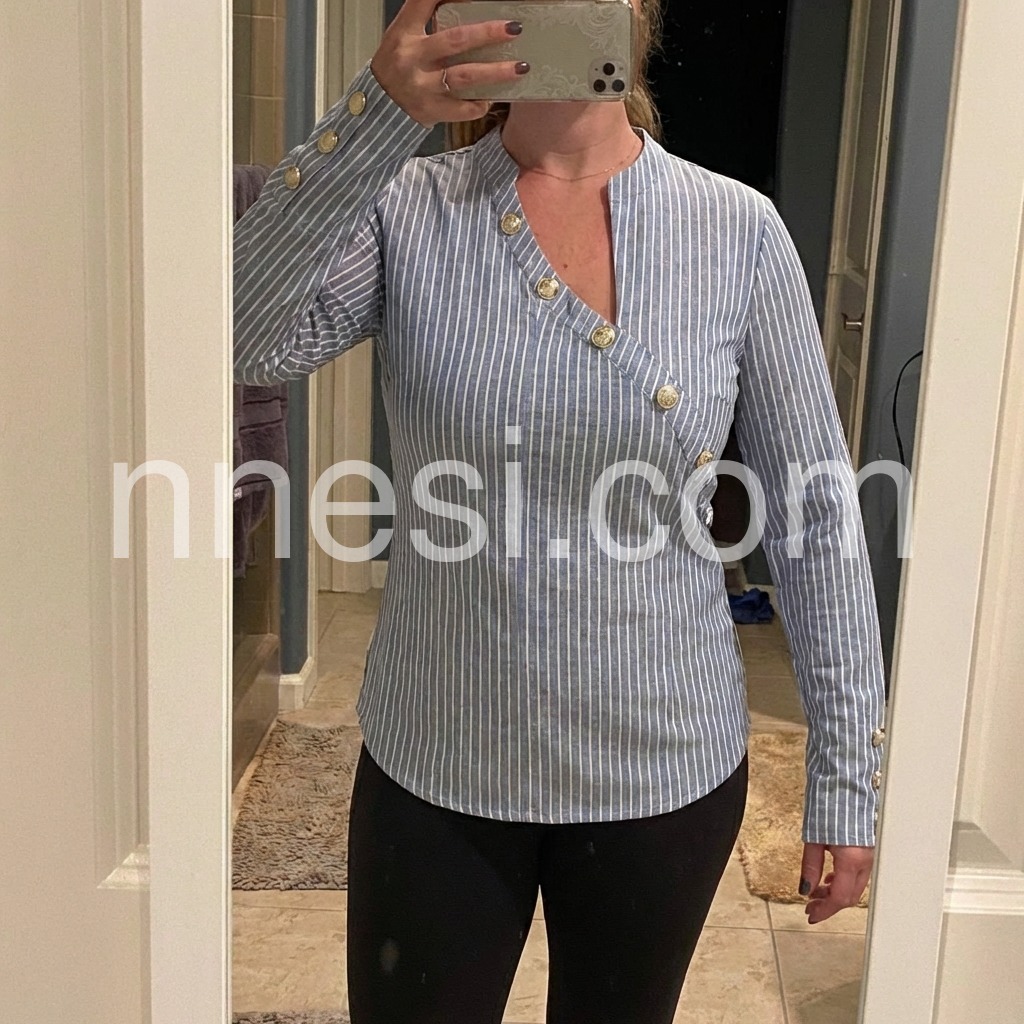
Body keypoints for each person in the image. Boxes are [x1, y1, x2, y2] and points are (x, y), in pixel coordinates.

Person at [233, 0, 888, 1020]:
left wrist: (847, 773)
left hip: (661, 765)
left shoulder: (736, 230)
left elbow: (816, 515)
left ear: (635, 12)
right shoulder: (409, 207)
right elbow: (245, 337)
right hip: (439, 756)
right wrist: (377, 113)